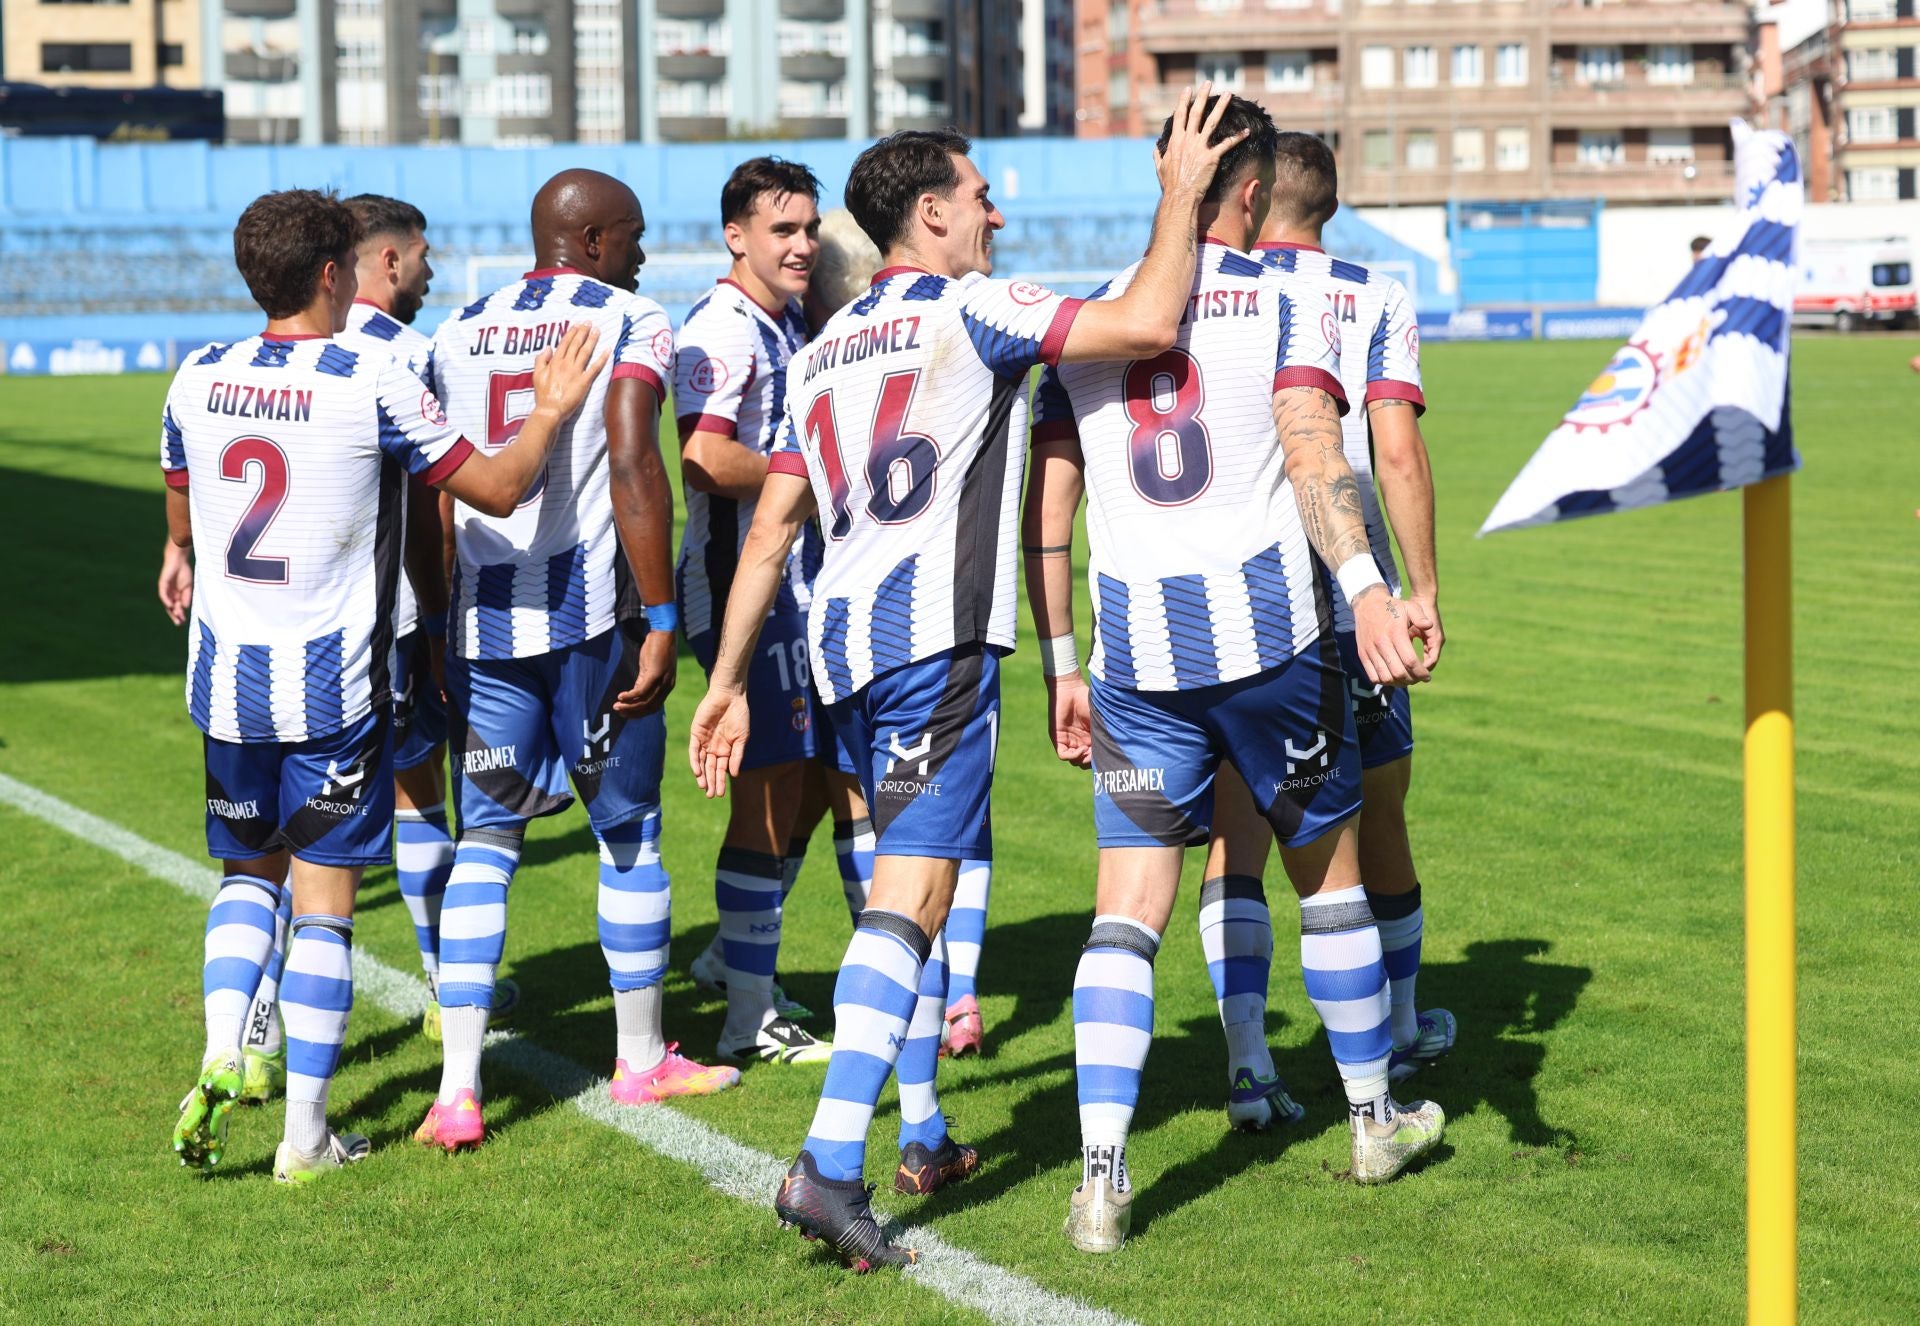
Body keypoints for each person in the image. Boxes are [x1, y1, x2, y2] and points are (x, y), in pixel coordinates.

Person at [690, 84, 1250, 1271]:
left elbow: (771, 528)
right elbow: (1149, 320)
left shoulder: (819, 349)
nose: (998, 215)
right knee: (916, 899)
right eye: (982, 197)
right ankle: (827, 1167)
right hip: (930, 648)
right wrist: (1180, 194)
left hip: (838, 652)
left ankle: (919, 1133)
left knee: (900, 895)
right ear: (933, 214)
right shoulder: (976, 307)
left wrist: (728, 679)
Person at [1023, 97, 1445, 1255]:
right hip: (1272, 651)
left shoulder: (1093, 314)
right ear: (1251, 191)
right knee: (1330, 879)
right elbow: (1314, 450)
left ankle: (1101, 1179)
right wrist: (1368, 586)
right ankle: (1374, 1121)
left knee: (1125, 911)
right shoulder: (1288, 298)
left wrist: (1059, 662)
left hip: (1133, 663)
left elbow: (1048, 509)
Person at [163, 187, 602, 1182]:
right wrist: (548, 411)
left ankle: (225, 1046)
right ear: (335, 275)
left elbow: (180, 490)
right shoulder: (372, 376)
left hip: (225, 683)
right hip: (330, 688)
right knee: (325, 907)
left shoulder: (198, 374)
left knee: (247, 876)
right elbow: (496, 489)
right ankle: (306, 1137)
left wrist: (178, 548)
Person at [417, 168, 739, 1153]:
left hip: (483, 628)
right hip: (592, 621)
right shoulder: (630, 317)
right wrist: (659, 616)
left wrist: (435, 623)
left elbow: (432, 492)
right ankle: (640, 1061)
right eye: (632, 234)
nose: (643, 251)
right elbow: (636, 458)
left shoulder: (455, 329)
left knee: (486, 843)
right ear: (593, 240)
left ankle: (457, 1091)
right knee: (628, 833)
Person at [1224, 130, 1454, 1086]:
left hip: (1241, 592)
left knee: (1239, 822)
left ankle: (1247, 1061)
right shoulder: (1374, 291)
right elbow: (1395, 452)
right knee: (1379, 810)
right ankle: (1396, 1029)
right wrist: (1420, 589)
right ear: (1329, 201)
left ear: (1250, 193)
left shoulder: (1217, 288)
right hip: (1356, 590)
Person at [333, 193, 522, 1044]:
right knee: (419, 793)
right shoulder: (410, 355)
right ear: (388, 260)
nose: (431, 271)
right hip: (399, 615)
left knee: (287, 826)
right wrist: (442, 616)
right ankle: (448, 986)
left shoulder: (298, 351)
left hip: (297, 631)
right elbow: (438, 501)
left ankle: (253, 1030)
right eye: (422, 255)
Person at [670, 157, 834, 1065]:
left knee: (808, 780)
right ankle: (747, 1020)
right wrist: (807, 479)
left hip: (793, 587)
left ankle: (731, 962)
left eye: (809, 228)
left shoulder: (788, 317)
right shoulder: (721, 328)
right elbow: (702, 456)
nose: (802, 245)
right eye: (783, 230)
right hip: (742, 587)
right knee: (768, 789)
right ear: (737, 237)